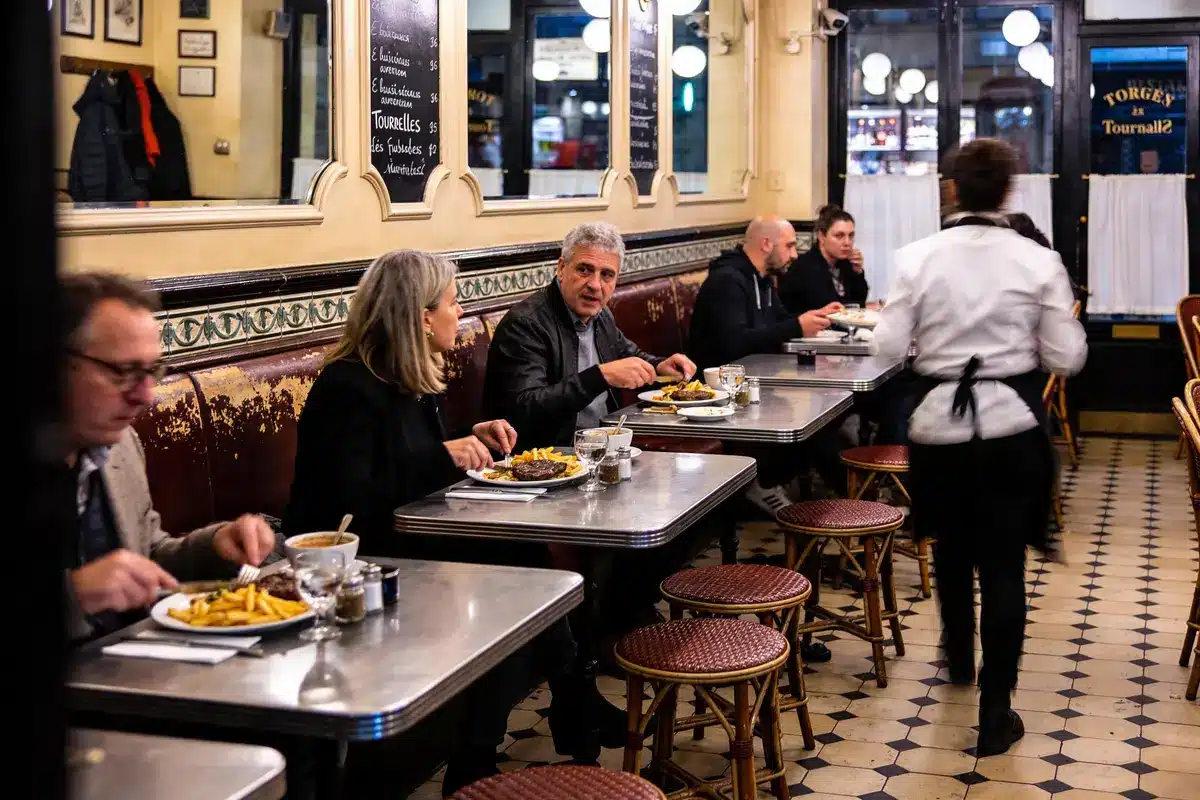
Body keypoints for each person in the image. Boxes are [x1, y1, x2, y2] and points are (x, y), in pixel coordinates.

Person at [284, 249, 626, 794]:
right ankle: (551, 716)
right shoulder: (347, 386)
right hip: (355, 565)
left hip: (414, 537)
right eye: (452, 302)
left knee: (530, 571)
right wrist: (448, 455)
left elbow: (412, 458)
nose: (459, 312)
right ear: (421, 316)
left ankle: (514, 736)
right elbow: (351, 500)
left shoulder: (408, 375)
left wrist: (474, 434)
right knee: (512, 581)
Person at [871, 138, 1087, 757]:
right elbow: (1068, 357)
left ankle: (959, 657)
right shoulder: (1036, 262)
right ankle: (996, 710)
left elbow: (885, 348)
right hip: (1012, 428)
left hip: (939, 427)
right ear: (1009, 191)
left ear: (952, 189)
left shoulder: (918, 257)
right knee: (1003, 566)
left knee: (949, 545)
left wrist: (929, 344)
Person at [61, 273, 276, 642]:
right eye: (123, 372)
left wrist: (216, 546)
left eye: (151, 372)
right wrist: (75, 594)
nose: (145, 396)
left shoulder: (120, 447)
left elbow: (147, 556)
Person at [483, 221, 696, 447]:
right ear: (561, 268)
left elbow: (627, 354)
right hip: (550, 456)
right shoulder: (526, 324)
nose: (595, 285)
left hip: (607, 445)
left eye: (606, 275)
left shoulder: (601, 315)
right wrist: (599, 376)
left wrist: (659, 366)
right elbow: (525, 408)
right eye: (584, 270)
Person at [688, 215, 839, 372]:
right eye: (789, 246)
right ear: (766, 244)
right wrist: (797, 327)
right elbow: (735, 344)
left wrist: (817, 317)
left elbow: (779, 319)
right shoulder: (726, 281)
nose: (794, 255)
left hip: (757, 372)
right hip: (721, 383)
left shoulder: (764, 277)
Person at [779, 204, 869, 315]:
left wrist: (858, 273)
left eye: (851, 235)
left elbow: (858, 305)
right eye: (839, 236)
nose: (847, 242)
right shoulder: (805, 267)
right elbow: (828, 308)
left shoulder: (845, 263)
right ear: (822, 236)